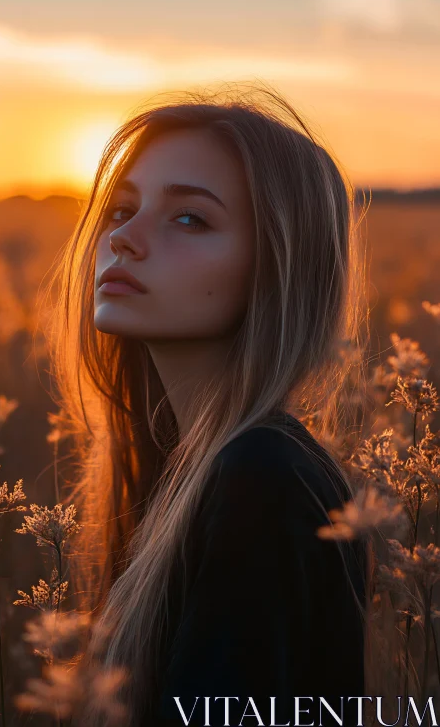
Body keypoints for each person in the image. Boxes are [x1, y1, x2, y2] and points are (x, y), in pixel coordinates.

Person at [46, 82, 372, 726]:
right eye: (120, 209)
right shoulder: (185, 467)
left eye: (189, 217)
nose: (126, 240)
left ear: (277, 268)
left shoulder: (263, 477)